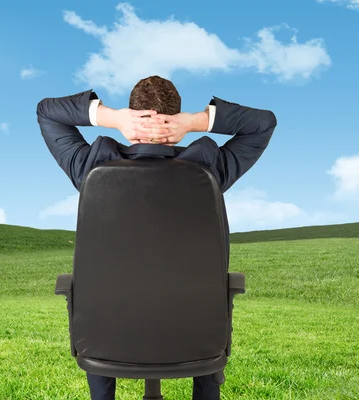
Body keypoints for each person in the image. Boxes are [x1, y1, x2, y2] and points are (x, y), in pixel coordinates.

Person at [36, 75, 277, 400]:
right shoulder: (209, 166)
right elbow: (263, 123)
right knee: (205, 306)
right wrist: (195, 122)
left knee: (101, 308)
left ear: (131, 115)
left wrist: (113, 117)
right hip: (194, 338)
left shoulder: (93, 165)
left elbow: (47, 112)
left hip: (106, 340)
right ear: (175, 115)